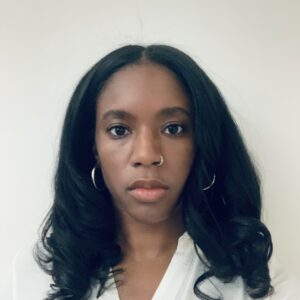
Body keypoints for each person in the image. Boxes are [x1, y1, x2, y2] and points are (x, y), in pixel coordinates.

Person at [29, 44, 300, 300]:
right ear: (93, 146)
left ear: (202, 142)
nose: (147, 155)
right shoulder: (44, 271)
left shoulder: (254, 277)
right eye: (119, 130)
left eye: (173, 128)